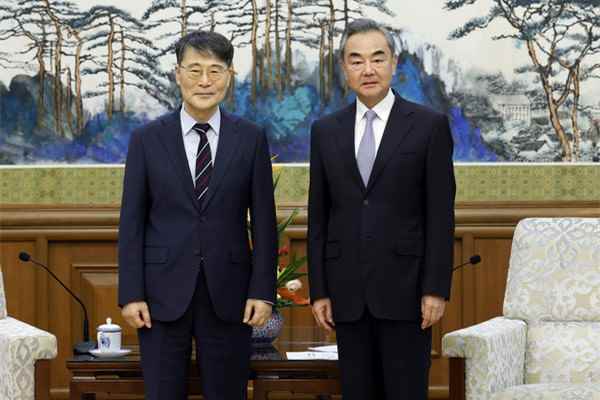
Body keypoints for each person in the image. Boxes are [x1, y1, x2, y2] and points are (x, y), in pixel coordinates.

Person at [118, 30, 277, 400]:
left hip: (230, 294)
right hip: (160, 295)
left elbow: (264, 223)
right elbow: (132, 223)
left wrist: (263, 291)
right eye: (194, 70)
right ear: (178, 74)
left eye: (215, 70)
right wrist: (131, 293)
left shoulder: (250, 138)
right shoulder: (147, 139)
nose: (205, 81)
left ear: (229, 76)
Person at [308, 18, 456, 400]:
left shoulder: (429, 126)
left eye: (377, 58)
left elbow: (440, 215)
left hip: (408, 293)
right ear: (344, 68)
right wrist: (319, 290)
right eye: (356, 60)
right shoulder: (325, 131)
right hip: (347, 294)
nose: (368, 69)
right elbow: (319, 216)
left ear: (394, 63)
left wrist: (435, 289)